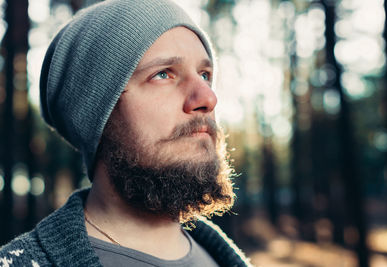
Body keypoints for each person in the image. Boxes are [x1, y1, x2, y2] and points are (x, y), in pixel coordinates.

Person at [0, 0, 252, 266]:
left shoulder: (222, 257)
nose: (208, 98)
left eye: (204, 75)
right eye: (163, 74)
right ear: (97, 112)